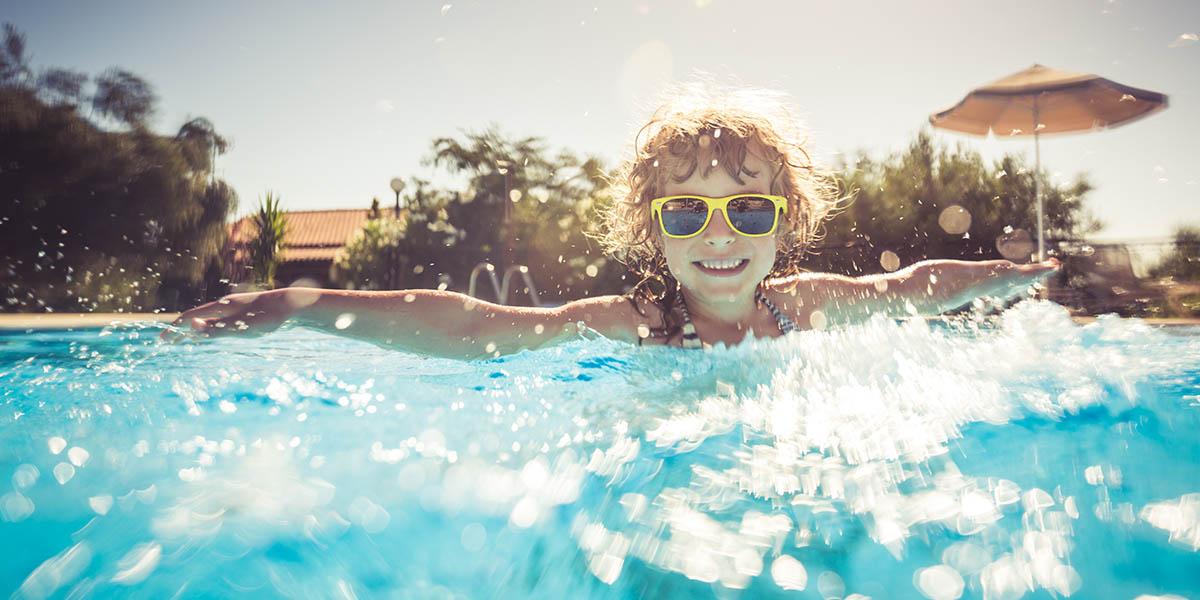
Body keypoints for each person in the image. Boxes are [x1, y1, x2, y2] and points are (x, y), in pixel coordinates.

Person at [167, 83, 1057, 359]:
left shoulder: (806, 306)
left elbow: (908, 290)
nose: (720, 233)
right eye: (687, 210)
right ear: (654, 229)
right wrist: (308, 301)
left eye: (748, 207)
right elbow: (479, 327)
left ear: (784, 225)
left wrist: (1006, 277)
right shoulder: (633, 324)